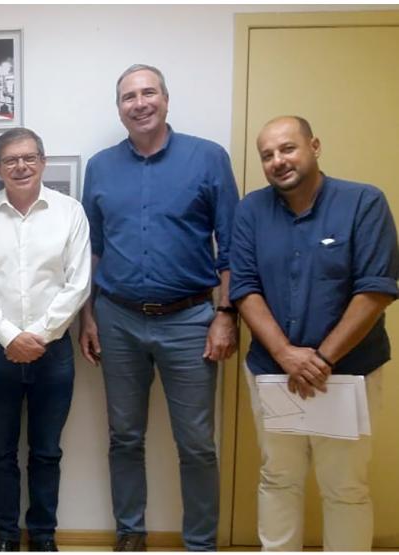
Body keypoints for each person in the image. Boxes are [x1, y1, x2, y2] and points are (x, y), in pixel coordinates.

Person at [79, 64, 239, 551]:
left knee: (196, 444)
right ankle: (130, 535)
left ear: (166, 100)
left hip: (192, 320)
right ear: (119, 108)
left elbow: (231, 244)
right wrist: (88, 316)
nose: (140, 103)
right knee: (124, 437)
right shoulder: (101, 167)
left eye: (149, 93)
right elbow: (94, 249)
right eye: (129, 96)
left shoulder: (208, 158)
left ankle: (200, 544)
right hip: (118, 319)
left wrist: (226, 316)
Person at [230, 116, 398, 551]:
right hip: (274, 373)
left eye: (287, 149)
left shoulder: (364, 203)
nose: (277, 161)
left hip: (347, 374)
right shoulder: (250, 210)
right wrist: (287, 354)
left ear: (314, 146)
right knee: (278, 479)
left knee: (345, 486)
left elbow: (376, 289)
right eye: (267, 155)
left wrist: (321, 359)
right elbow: (244, 288)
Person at [0, 127, 91, 552]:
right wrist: (11, 336)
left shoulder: (70, 212)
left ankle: (44, 537)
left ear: (43, 161)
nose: (21, 166)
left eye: (29, 157)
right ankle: (5, 537)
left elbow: (78, 283)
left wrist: (38, 335)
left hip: (53, 354)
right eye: (11, 160)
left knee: (47, 451)